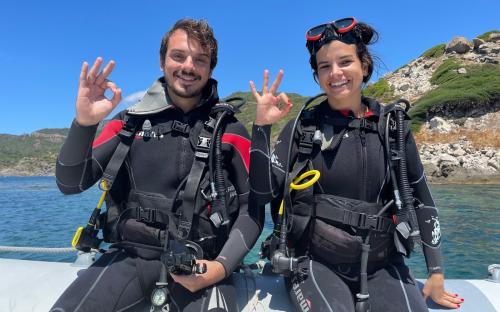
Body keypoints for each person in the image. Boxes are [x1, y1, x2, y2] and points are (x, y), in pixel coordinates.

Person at [249, 17, 464, 311]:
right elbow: (262, 194)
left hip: (383, 263)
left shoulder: (392, 127)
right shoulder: (303, 128)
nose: (335, 73)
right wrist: (261, 128)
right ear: (317, 76)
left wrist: (436, 273)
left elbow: (422, 199)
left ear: (364, 66)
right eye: (324, 66)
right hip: (314, 263)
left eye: (345, 62)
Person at [53, 18, 262, 312]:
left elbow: (251, 209)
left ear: (210, 68)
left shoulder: (230, 131)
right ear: (162, 61)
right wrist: (85, 124)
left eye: (199, 60)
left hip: (202, 265)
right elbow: (70, 184)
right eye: (178, 56)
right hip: (130, 258)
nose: (188, 67)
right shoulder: (128, 122)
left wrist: (220, 268)